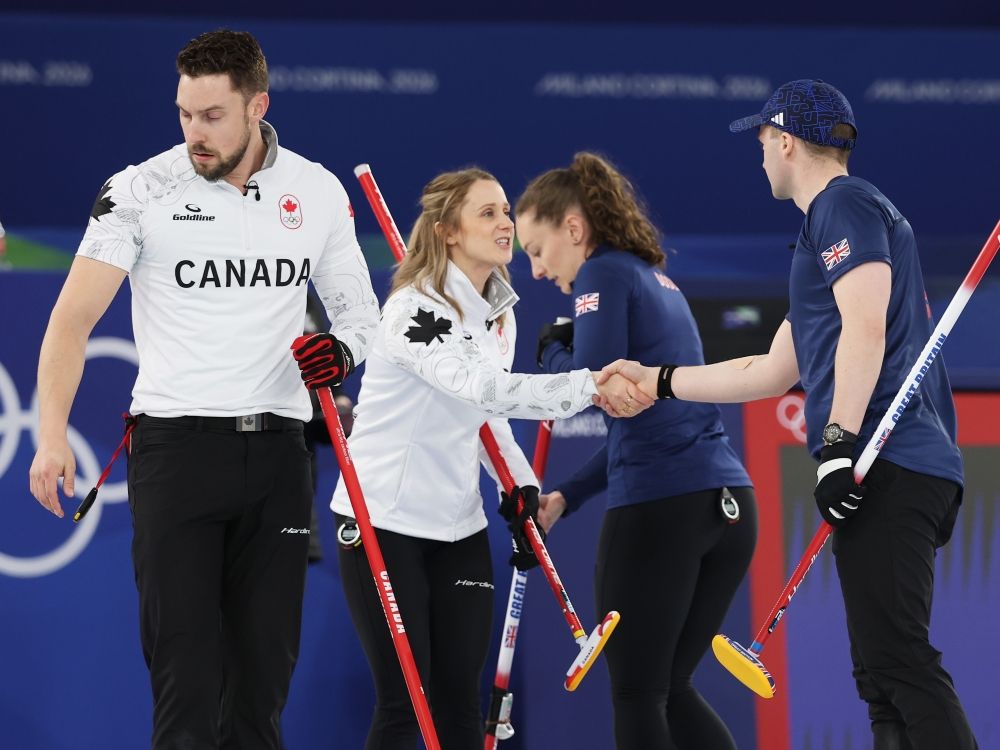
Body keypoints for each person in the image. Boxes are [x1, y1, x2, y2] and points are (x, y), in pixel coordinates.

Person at [28, 29, 380, 749]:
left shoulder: (314, 190)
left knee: (259, 693)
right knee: (184, 691)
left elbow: (360, 318)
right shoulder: (138, 189)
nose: (195, 132)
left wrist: (338, 351)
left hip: (279, 457)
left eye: (212, 115)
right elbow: (71, 321)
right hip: (176, 454)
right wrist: (50, 434)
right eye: (185, 113)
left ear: (258, 106)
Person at [599, 80, 977, 750]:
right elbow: (771, 372)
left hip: (885, 462)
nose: (760, 158)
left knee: (897, 660)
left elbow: (864, 325)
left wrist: (836, 444)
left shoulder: (844, 204)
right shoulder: (824, 231)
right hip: (881, 468)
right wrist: (657, 380)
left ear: (786, 140)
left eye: (763, 143)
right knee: (879, 677)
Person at [330, 167, 646, 750]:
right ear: (449, 231)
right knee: (406, 705)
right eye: (488, 213)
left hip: (457, 525)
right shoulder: (411, 311)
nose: (506, 222)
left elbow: (483, 419)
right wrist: (587, 385)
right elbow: (479, 390)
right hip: (381, 520)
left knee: (458, 703)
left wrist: (520, 487)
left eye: (506, 210)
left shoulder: (500, 314)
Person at [515, 152, 757, 750]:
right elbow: (644, 427)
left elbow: (594, 386)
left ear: (573, 228)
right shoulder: (656, 280)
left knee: (638, 692)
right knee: (669, 687)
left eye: (537, 250)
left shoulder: (603, 275)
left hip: (664, 508)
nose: (537, 271)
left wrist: (551, 352)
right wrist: (566, 497)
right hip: (727, 505)